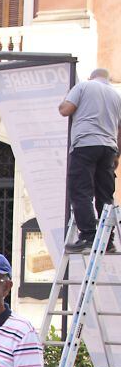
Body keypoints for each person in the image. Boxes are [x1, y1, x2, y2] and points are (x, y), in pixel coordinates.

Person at [59, 68, 121, 252]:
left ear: (91, 77)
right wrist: (117, 155)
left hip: (85, 144)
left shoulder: (84, 86)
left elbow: (66, 110)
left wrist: (64, 100)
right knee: (105, 196)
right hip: (108, 148)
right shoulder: (117, 96)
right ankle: (107, 241)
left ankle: (87, 237)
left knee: (81, 191)